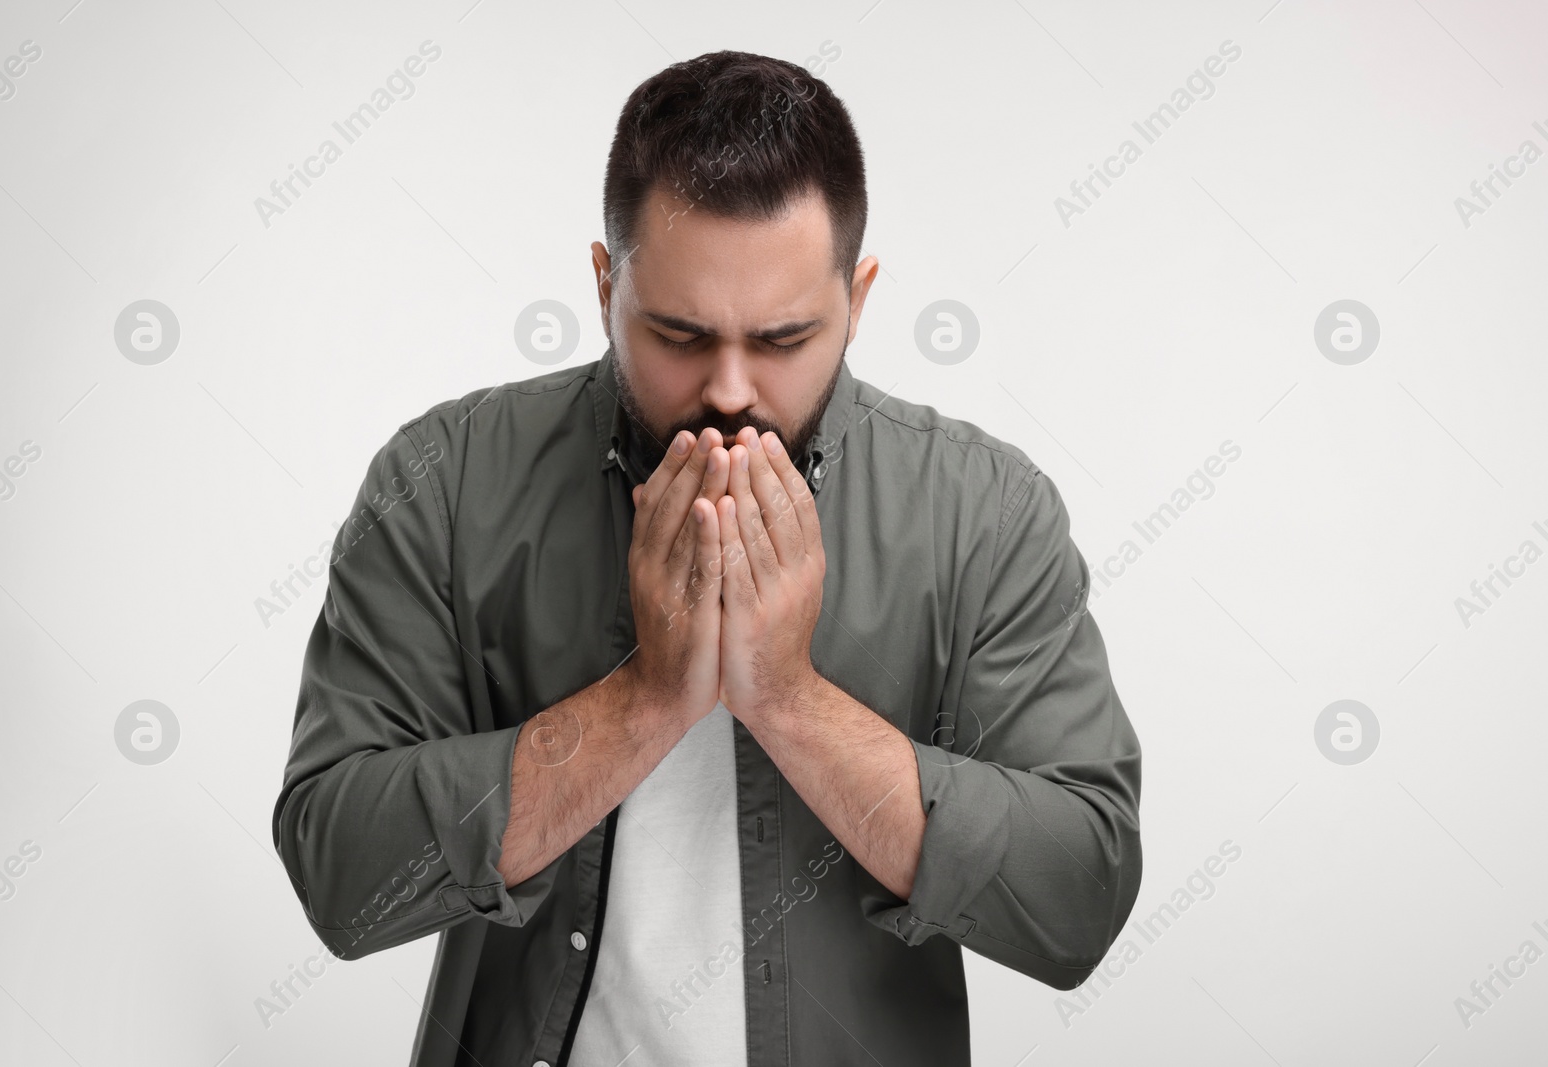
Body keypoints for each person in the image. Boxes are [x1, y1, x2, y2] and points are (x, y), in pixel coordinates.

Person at [272, 49, 1142, 1067]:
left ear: (856, 300)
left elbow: (1077, 895)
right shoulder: (446, 479)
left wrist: (782, 692)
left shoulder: (982, 511)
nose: (729, 389)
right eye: (680, 334)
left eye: (783, 338)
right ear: (605, 283)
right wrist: (646, 697)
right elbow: (341, 871)